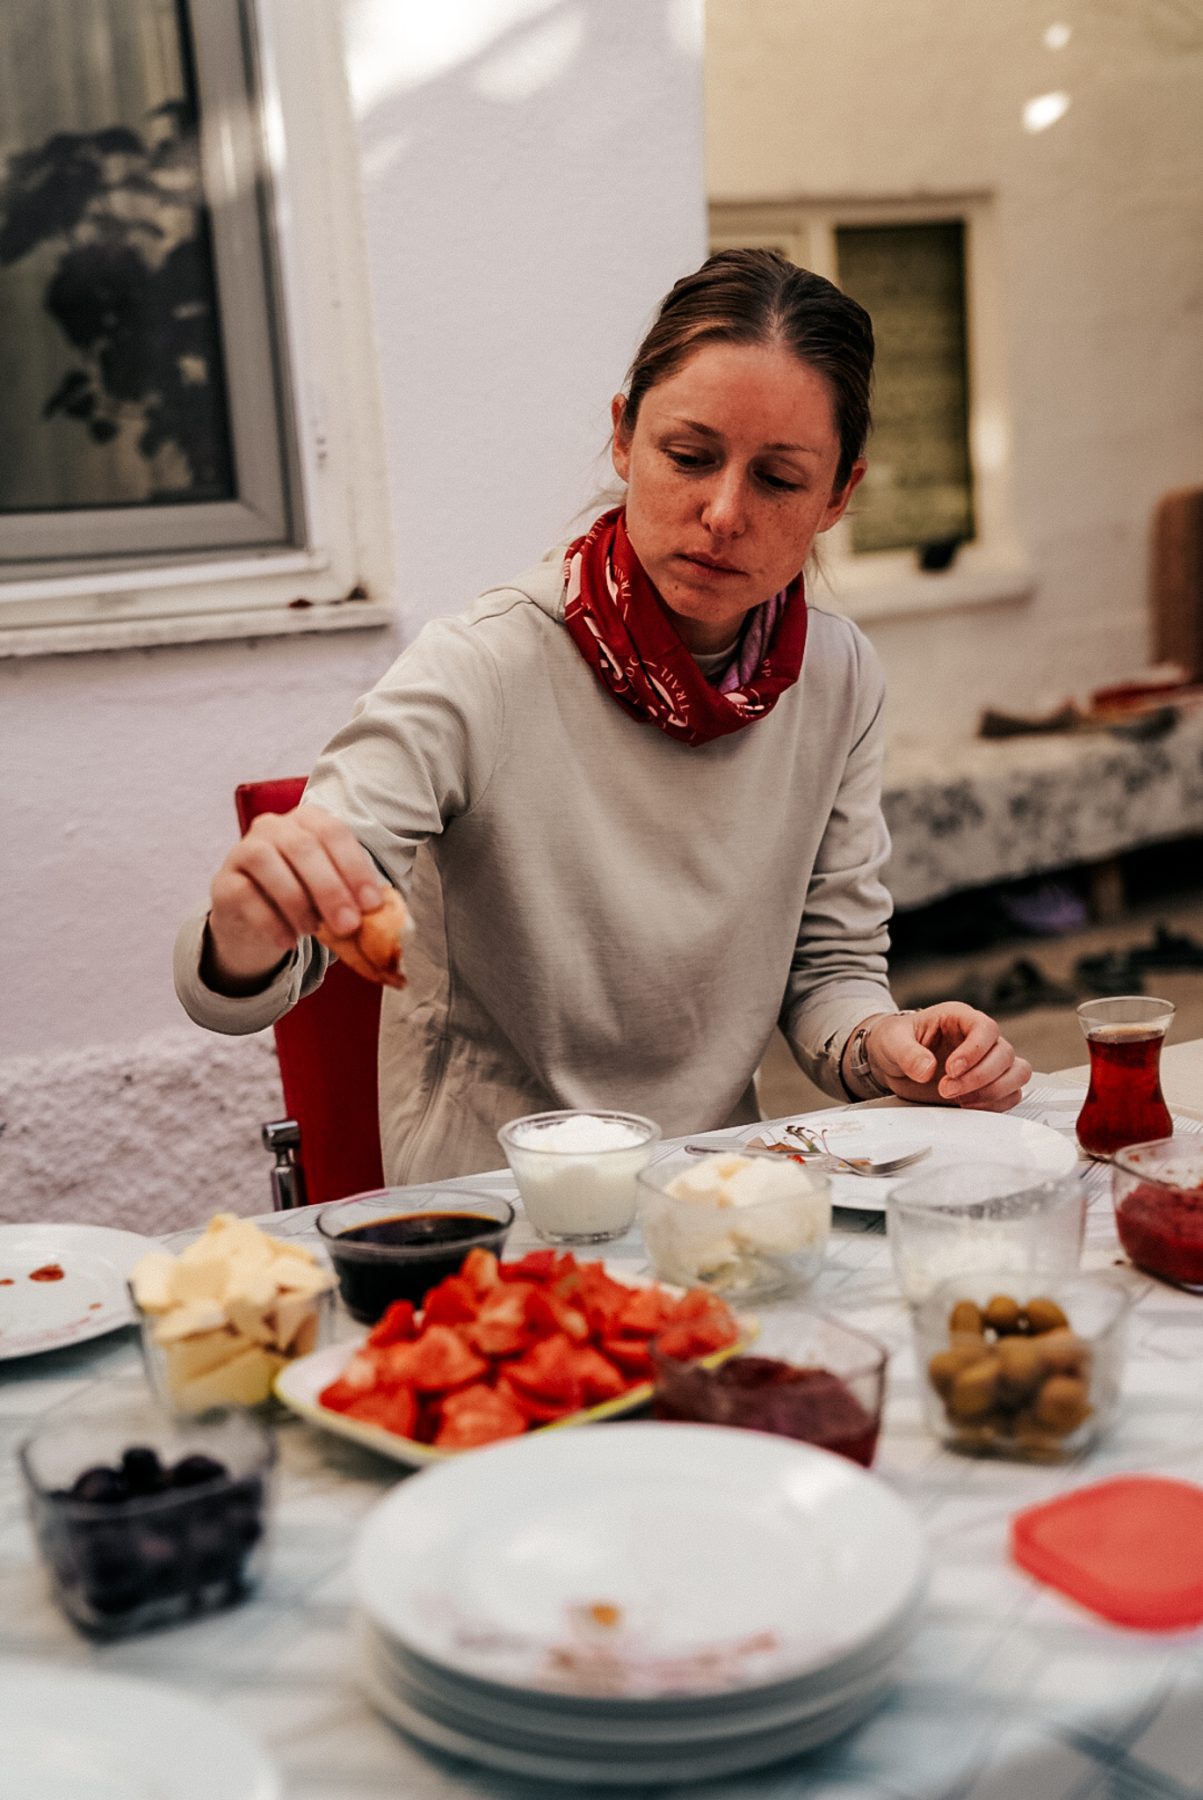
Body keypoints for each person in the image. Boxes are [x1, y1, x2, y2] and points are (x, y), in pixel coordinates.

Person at [175, 250, 1031, 1183]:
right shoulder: (485, 664)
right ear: (624, 437)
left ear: (837, 496)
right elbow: (248, 980)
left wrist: (886, 1045)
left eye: (779, 479)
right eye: (689, 457)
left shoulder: (836, 675)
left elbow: (829, 969)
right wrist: (248, 932)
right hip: (497, 1199)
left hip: (713, 1187)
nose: (722, 512)